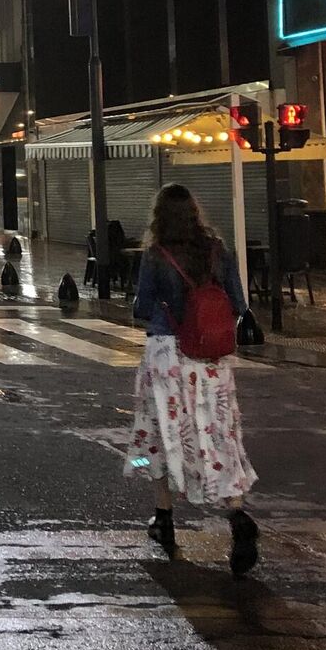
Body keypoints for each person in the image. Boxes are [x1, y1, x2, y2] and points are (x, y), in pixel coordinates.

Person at [127, 183, 260, 577]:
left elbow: (141, 308)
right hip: (214, 364)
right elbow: (237, 303)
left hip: (168, 357)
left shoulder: (156, 256)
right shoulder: (218, 250)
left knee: (163, 433)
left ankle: (163, 517)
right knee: (218, 435)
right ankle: (237, 515)